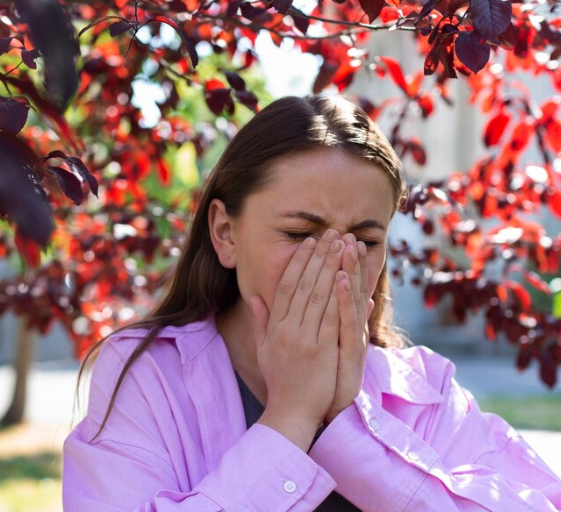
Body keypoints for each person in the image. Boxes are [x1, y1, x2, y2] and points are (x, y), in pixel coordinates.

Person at [63, 95, 561, 511]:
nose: (338, 263)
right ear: (224, 232)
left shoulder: (423, 390)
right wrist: (291, 417)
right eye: (300, 233)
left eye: (365, 240)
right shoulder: (146, 375)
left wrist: (350, 427)